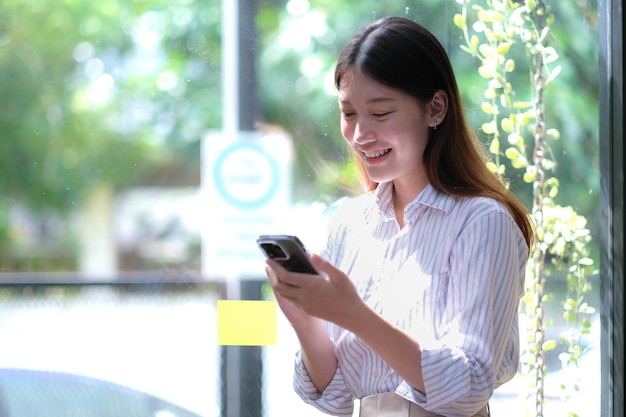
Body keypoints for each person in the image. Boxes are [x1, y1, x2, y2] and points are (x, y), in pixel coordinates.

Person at [264, 16, 535, 417]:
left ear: (435, 109)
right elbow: (334, 391)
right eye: (349, 113)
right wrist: (307, 320)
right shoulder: (350, 224)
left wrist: (351, 312)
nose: (360, 135)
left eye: (381, 112)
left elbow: (469, 385)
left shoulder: (482, 221)